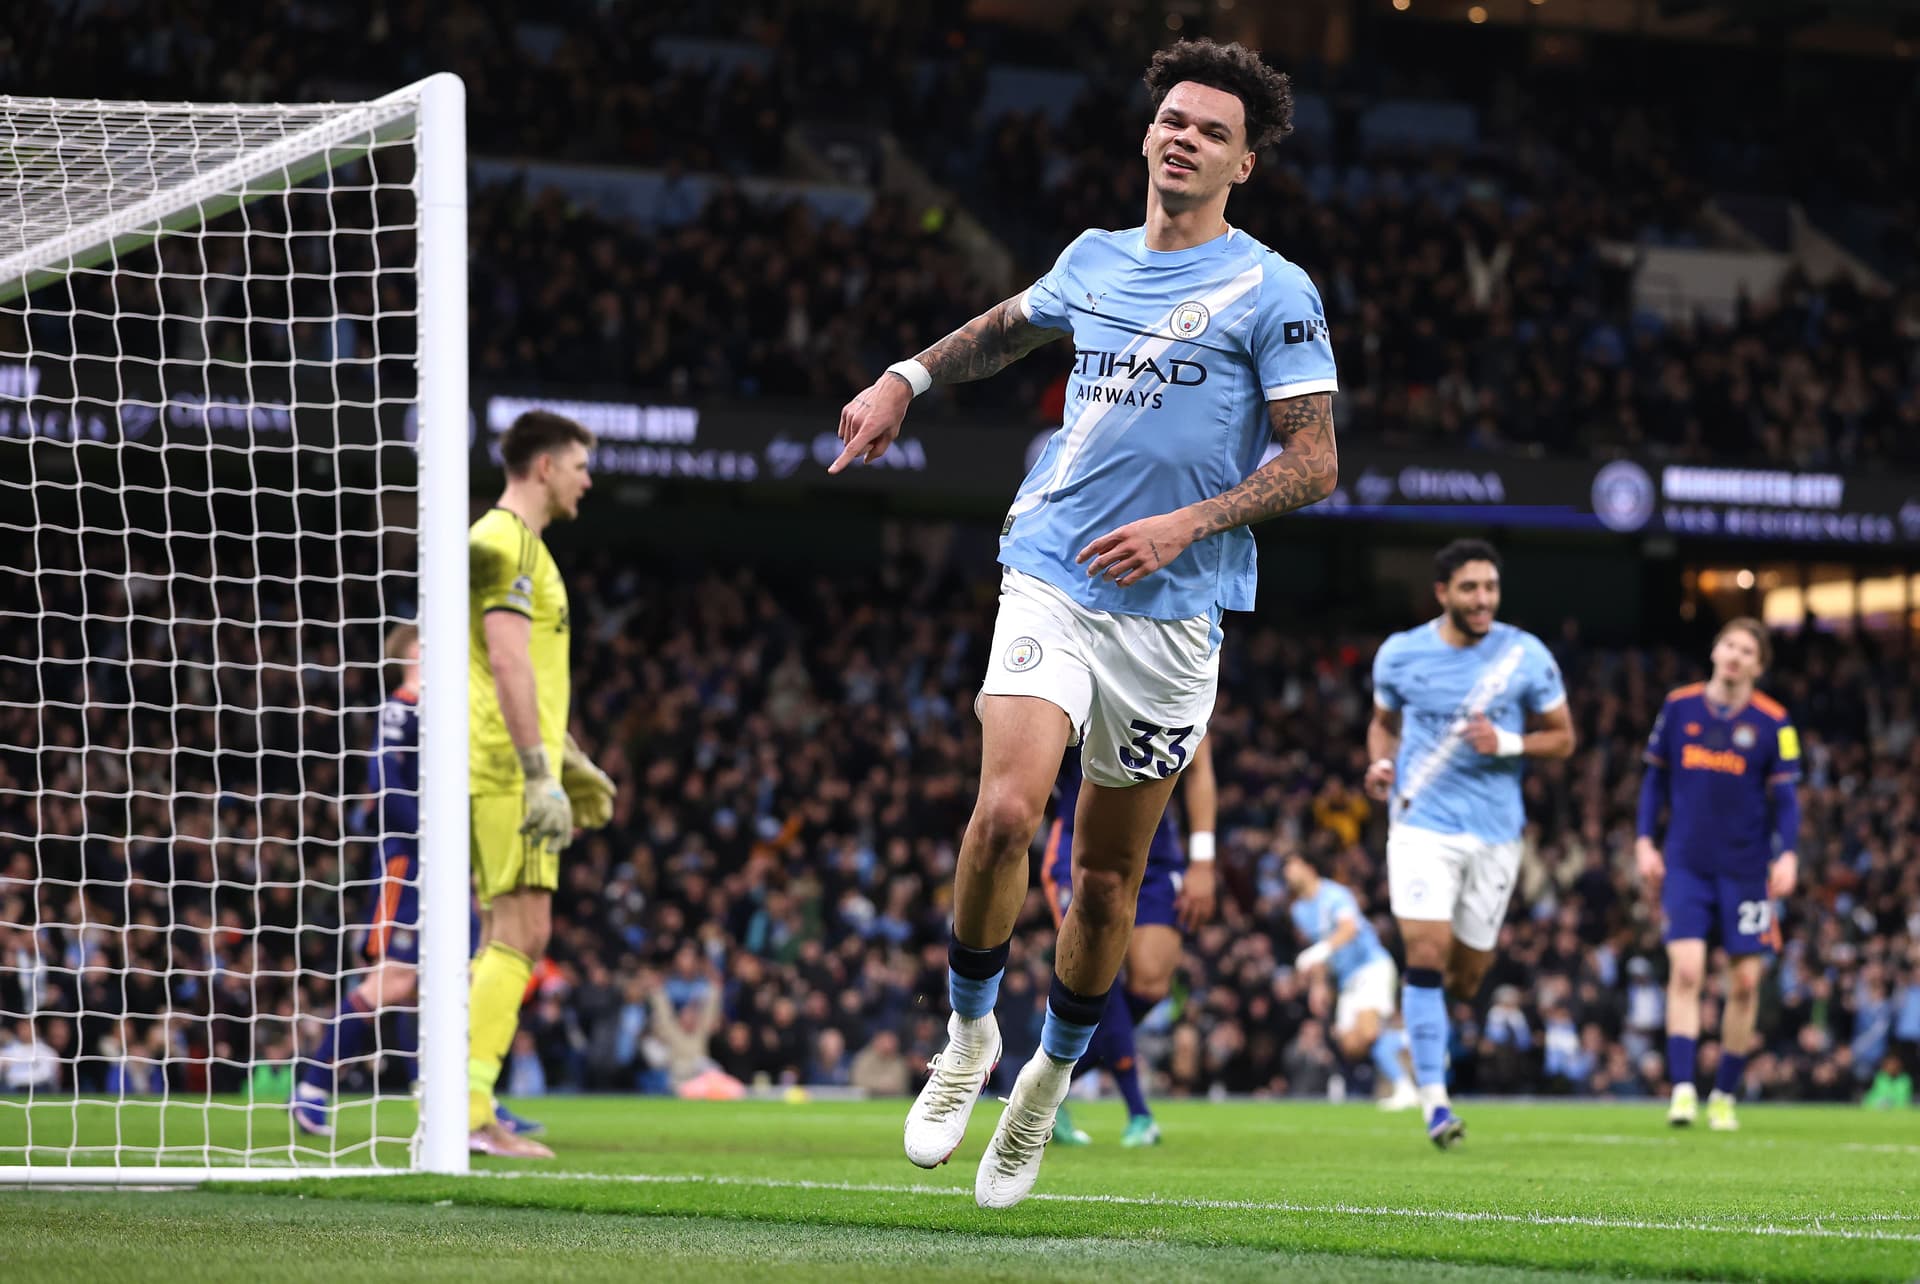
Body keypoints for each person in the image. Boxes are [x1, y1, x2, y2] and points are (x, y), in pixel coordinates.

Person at [832, 37, 1338, 1208]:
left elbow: (1314, 461)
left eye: (1211, 131)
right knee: (1007, 811)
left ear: (1243, 164)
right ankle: (967, 1037)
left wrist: (1188, 524)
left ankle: (1050, 1084)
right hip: (1054, 567)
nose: (1183, 137)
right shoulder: (1095, 257)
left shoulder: (1274, 288)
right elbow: (1008, 328)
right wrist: (905, 374)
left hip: (1172, 616)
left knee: (1108, 884)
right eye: (1171, 119)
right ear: (1147, 133)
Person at [290, 626, 545, 1140]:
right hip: (409, 865)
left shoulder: (449, 715)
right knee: (396, 981)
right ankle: (312, 1087)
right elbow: (382, 779)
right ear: (410, 652)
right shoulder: (402, 706)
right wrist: (430, 837)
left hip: (449, 867)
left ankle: (469, 1102)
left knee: (454, 986)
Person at [1364, 539, 1575, 1148]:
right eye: (1470, 589)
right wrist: (1381, 765)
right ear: (1442, 593)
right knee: (1425, 956)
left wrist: (1507, 744)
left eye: (1490, 588)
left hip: (1496, 836)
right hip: (1421, 825)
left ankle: (1435, 1046)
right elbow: (1383, 723)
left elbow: (1563, 739)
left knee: (1465, 977)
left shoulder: (1524, 655)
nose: (1482, 600)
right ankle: (1435, 1102)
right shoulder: (1401, 655)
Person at [464, 410, 617, 1158]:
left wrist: (571, 758)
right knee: (519, 933)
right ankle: (469, 1111)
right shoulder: (504, 543)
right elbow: (508, 662)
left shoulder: (522, 547)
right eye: (582, 465)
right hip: (501, 767)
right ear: (547, 467)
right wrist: (537, 773)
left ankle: (465, 1098)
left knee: (515, 933)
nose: (589, 479)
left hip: (509, 761)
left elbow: (536, 676)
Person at [1635, 618, 1800, 1132]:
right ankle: (1683, 1090)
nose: (1734, 655)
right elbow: (1653, 781)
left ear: (1758, 665)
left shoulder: (1775, 722)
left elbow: (1787, 799)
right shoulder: (1678, 705)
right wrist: (1644, 841)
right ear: (1714, 648)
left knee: (1746, 982)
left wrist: (1788, 853)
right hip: (1686, 863)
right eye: (1728, 643)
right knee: (1685, 970)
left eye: (1746, 650)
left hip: (1746, 869)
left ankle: (1724, 1094)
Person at [1043, 737, 1218, 1148]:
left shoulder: (1183, 672)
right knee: (1099, 974)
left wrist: (1204, 860)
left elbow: (1199, 766)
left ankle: (1044, 1088)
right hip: (1080, 841)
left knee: (1150, 985)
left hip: (1155, 848)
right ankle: (1139, 1111)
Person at [1282, 845, 1419, 1111]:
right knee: (1351, 1045)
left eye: (1292, 865)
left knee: (1368, 1033)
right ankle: (1410, 1044)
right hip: (1346, 979)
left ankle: (1410, 1069)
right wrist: (1319, 986)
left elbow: (1349, 928)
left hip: (1371, 967)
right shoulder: (1298, 910)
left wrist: (1318, 952)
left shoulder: (1335, 894)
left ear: (1309, 868)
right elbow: (1319, 946)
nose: (1287, 872)